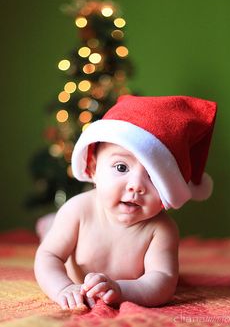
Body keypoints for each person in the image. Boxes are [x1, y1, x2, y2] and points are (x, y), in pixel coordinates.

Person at [34, 95, 217, 311]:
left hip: (120, 284)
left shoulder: (161, 230)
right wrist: (63, 288)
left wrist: (121, 289)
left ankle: (49, 224)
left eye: (153, 176)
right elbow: (48, 257)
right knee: (53, 238)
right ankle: (49, 225)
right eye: (121, 167)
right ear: (93, 169)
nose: (136, 186)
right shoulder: (78, 210)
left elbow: (163, 281)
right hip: (69, 241)